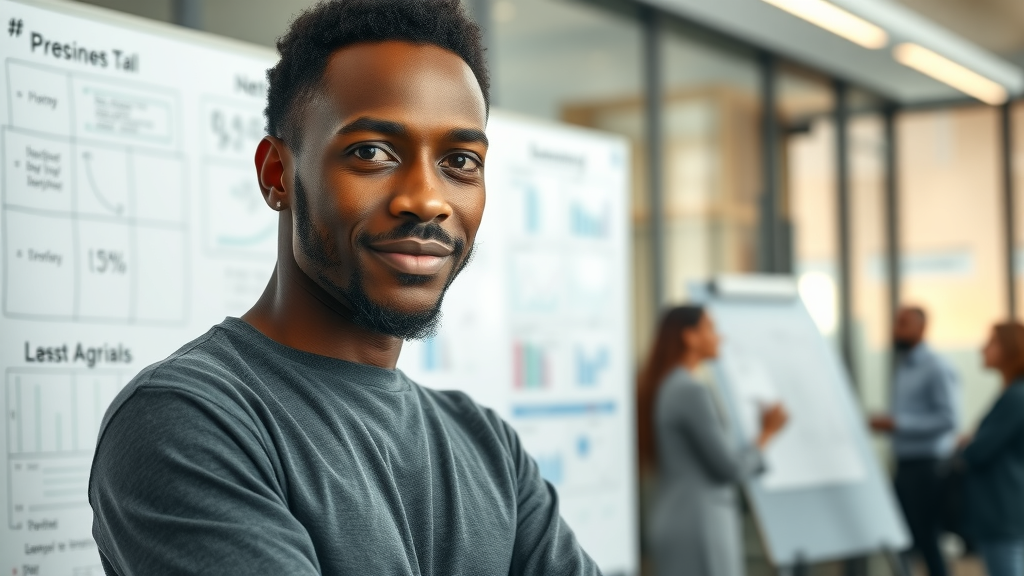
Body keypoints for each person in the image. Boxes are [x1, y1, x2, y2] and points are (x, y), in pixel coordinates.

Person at [87, 2, 600, 574]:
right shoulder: (190, 420)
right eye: (372, 153)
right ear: (278, 174)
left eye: (460, 160)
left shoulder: (488, 448)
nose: (427, 200)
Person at [637, 306, 788, 576]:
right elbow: (728, 468)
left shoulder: (670, 385)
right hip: (698, 526)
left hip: (682, 520)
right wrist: (767, 433)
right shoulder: (690, 390)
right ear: (690, 337)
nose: (720, 338)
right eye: (711, 329)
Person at [870, 306, 960, 576]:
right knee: (904, 538)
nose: (896, 330)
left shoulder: (936, 367)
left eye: (903, 324)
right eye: (896, 323)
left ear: (921, 328)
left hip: (928, 467)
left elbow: (949, 419)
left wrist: (899, 424)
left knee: (927, 539)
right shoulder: (904, 365)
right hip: (905, 465)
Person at [961, 322, 1024, 576]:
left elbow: (978, 452)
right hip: (1004, 508)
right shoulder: (1013, 394)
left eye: (991, 343)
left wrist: (968, 444)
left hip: (1003, 510)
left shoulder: (1016, 396)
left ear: (1010, 348)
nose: (982, 349)